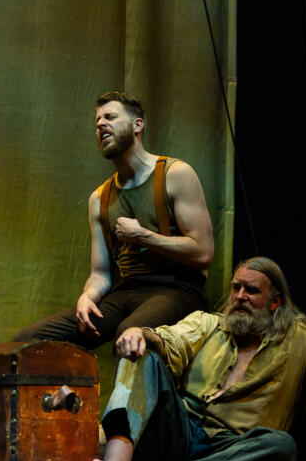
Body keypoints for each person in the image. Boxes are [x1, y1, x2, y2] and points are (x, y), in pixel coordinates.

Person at [77, 256, 306, 461]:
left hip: (231, 451)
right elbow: (170, 341)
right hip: (180, 432)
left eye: (251, 290)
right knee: (142, 351)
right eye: (236, 288)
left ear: (275, 301)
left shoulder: (304, 343)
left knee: (280, 445)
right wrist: (139, 332)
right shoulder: (209, 325)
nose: (240, 297)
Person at [15, 91, 215, 347]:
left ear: (137, 125)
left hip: (178, 289)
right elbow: (100, 273)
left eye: (110, 117)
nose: (100, 124)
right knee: (30, 341)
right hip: (126, 292)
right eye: (97, 121)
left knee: (129, 333)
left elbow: (203, 253)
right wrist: (87, 296)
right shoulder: (99, 198)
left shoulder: (175, 174)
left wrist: (143, 236)